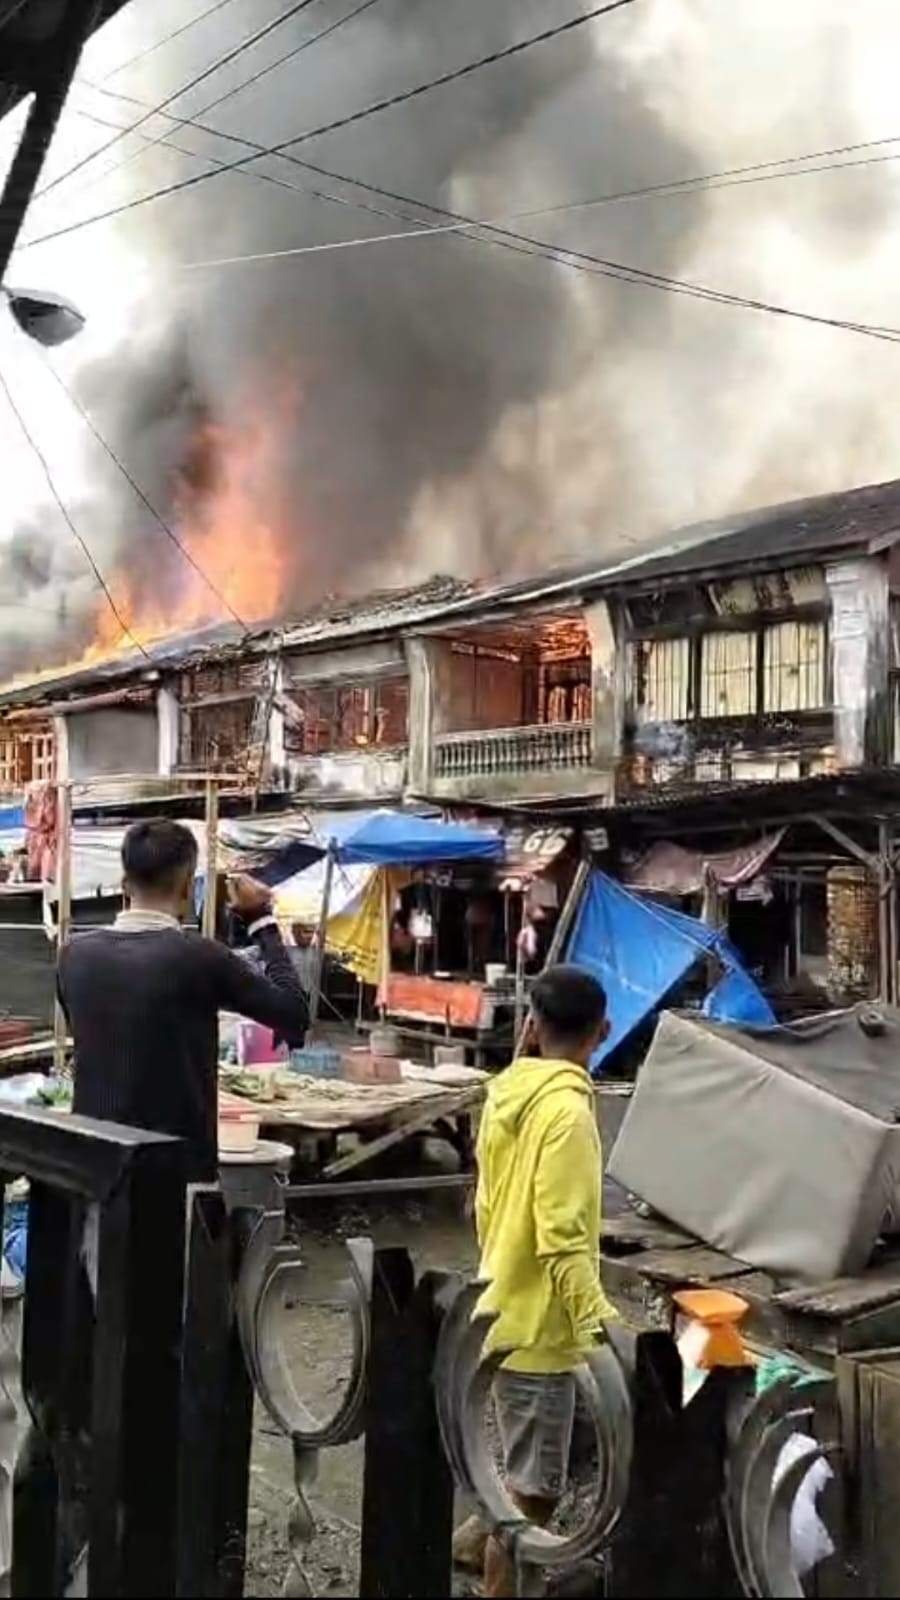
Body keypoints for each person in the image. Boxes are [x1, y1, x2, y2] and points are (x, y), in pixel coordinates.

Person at [463, 964, 618, 1598]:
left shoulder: (505, 1094)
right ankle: (501, 1586)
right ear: (602, 1032)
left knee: (532, 1453)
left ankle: (471, 1545)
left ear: (530, 1026)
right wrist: (601, 1329)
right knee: (534, 1495)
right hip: (538, 1330)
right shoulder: (568, 1115)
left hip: (496, 1304)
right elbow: (564, 1243)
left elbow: (484, 1205)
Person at [57, 817, 308, 1178]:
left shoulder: (72, 957)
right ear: (189, 887)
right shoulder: (202, 957)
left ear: (125, 884)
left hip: (96, 1169)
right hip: (177, 1175)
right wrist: (261, 921)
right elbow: (294, 1014)